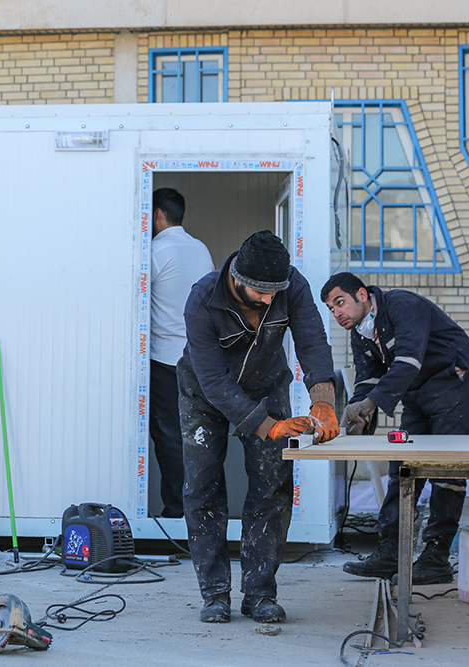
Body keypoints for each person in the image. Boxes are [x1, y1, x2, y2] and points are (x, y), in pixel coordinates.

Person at [178, 230, 339, 624]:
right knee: (202, 489)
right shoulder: (202, 300)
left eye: (274, 293)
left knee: (273, 486)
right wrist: (268, 426)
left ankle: (260, 593)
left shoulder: (292, 285)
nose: (269, 300)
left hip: (266, 386)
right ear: (237, 278)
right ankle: (215, 594)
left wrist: (323, 400)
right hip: (205, 396)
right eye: (261, 293)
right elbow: (214, 383)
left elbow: (312, 342)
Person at [320, 272, 469, 585]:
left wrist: (371, 405)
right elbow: (367, 379)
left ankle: (436, 558)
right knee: (403, 465)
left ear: (362, 295)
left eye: (340, 302)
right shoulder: (361, 332)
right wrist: (357, 414)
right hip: (417, 393)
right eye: (331, 308)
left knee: (447, 470)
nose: (337, 313)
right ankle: (391, 552)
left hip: (453, 385)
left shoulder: (403, 305)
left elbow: (407, 361)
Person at [150, 188, 214, 519]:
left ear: (157, 215)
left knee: (169, 437)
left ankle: (177, 511)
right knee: (200, 436)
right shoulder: (201, 250)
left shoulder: (155, 252)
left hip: (164, 359)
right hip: (199, 360)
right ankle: (203, 510)